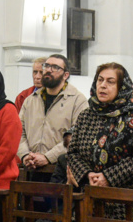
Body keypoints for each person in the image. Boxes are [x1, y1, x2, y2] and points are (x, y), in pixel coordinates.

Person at [65, 63, 133, 206]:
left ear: (121, 86)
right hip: (91, 195)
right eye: (100, 80)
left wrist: (108, 177)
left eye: (110, 82)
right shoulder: (86, 115)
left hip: (128, 200)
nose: (103, 85)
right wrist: (88, 175)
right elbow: (73, 152)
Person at [18, 53, 88, 183]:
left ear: (65, 75)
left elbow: (77, 138)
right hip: (31, 168)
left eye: (55, 67)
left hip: (59, 171)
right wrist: (25, 155)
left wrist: (47, 157)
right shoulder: (30, 100)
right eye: (47, 66)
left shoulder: (78, 101)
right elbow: (18, 131)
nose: (48, 70)